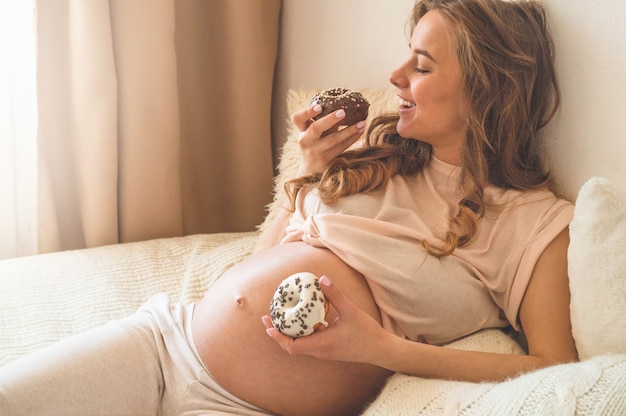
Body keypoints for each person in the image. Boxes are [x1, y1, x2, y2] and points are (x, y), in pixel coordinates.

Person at [0, 0, 578, 415]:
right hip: (166, 344)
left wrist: (384, 350)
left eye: (421, 66)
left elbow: (552, 365)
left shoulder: (533, 223)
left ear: (486, 87)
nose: (395, 76)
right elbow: (268, 255)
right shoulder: (375, 156)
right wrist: (306, 172)